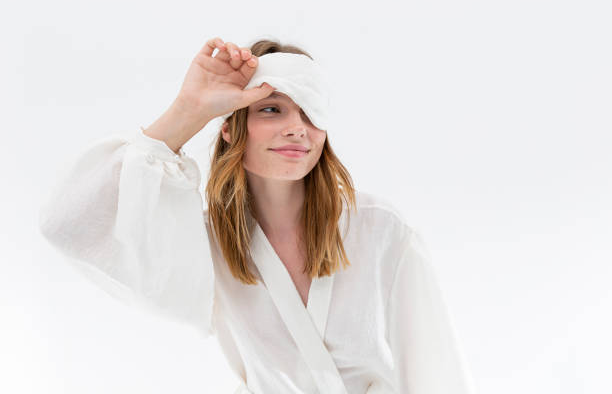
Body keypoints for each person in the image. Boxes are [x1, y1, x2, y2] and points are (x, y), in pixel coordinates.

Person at [38, 36, 474, 394]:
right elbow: (68, 224)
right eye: (271, 109)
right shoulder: (203, 244)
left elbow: (437, 376)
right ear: (228, 129)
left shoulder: (381, 230)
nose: (296, 128)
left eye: (310, 113)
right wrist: (187, 111)